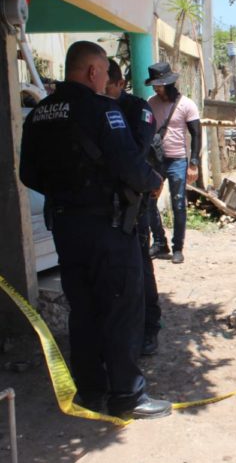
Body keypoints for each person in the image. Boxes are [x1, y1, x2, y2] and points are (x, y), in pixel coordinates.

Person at [19, 41, 172, 419]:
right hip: (107, 227)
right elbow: (127, 162)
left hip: (66, 228)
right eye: (104, 71)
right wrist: (152, 181)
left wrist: (64, 193)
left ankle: (90, 390)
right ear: (91, 71)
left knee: (83, 309)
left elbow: (28, 174)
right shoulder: (103, 110)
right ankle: (127, 395)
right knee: (122, 307)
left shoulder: (38, 114)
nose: (106, 79)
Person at [105, 59, 162, 356]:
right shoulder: (93, 109)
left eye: (107, 87)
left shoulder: (137, 110)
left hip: (132, 204)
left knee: (140, 268)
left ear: (119, 84)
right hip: (103, 209)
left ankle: (149, 328)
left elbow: (136, 156)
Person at [145, 62, 201, 264]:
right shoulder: (150, 103)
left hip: (178, 160)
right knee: (149, 202)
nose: (156, 88)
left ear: (168, 83)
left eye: (159, 85)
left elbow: (196, 134)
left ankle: (178, 247)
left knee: (178, 204)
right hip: (155, 162)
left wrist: (193, 163)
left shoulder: (187, 104)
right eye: (154, 85)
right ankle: (160, 242)